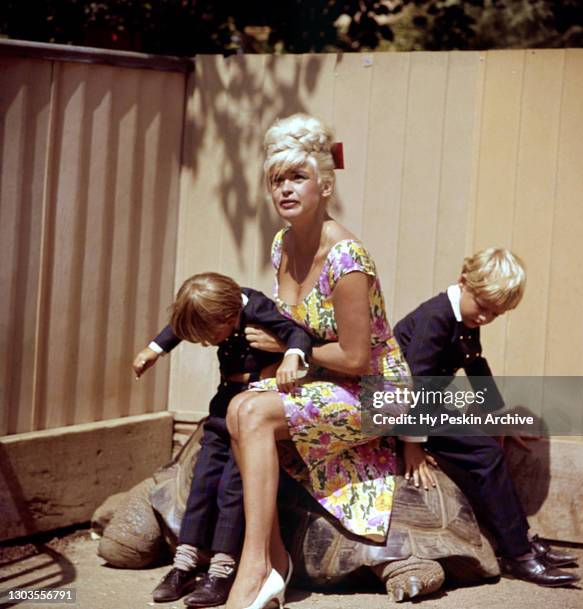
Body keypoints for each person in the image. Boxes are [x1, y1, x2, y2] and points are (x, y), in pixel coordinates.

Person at [223, 114, 414, 609]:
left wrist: (282, 349)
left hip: (376, 389)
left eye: (297, 177)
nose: (284, 190)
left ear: (325, 185)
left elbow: (355, 356)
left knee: (257, 412)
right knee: (237, 409)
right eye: (275, 180)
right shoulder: (281, 246)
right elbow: (293, 332)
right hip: (322, 377)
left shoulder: (347, 259)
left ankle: (255, 567)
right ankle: (276, 557)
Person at [393, 248, 579, 587]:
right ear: (463, 281)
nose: (484, 319)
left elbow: (476, 365)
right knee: (486, 454)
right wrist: (412, 445)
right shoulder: (435, 319)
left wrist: (498, 416)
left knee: (489, 441)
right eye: (482, 307)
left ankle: (520, 537)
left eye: (494, 314)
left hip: (425, 402)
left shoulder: (462, 318)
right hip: (396, 406)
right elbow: (417, 386)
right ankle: (517, 554)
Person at [132, 272, 312, 607]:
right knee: (203, 481)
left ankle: (223, 569)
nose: (204, 343)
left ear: (229, 319)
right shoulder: (214, 310)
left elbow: (295, 332)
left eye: (207, 338)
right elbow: (180, 326)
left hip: (253, 402)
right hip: (223, 400)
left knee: (233, 488)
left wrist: (290, 356)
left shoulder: (256, 307)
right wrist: (154, 349)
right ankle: (185, 563)